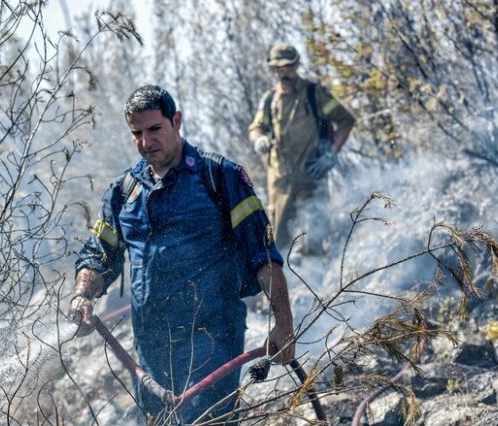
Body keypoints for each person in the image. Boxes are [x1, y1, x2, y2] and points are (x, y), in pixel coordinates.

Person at [70, 85, 295, 424]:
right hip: (151, 345)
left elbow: (263, 256)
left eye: (155, 129)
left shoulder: (220, 177)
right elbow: (100, 254)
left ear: (176, 121)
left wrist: (284, 323)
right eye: (137, 133)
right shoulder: (123, 191)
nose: (146, 142)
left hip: (213, 339)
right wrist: (82, 295)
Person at [248, 42, 355, 249]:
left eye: (288, 67)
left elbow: (345, 120)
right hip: (281, 182)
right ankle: (285, 281)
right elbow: (255, 128)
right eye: (278, 69)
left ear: (296, 66)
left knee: (314, 241)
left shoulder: (315, 94)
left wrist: (331, 154)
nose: (283, 73)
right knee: (278, 245)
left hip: (312, 177)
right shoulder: (269, 99)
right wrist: (259, 139)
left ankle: (318, 279)